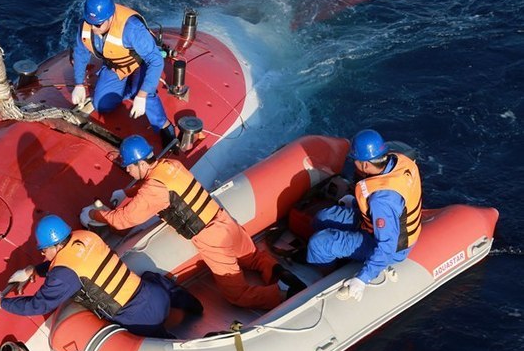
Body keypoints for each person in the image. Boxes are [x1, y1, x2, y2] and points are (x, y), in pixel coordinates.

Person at [81, 135, 299, 310]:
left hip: (211, 238)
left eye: (129, 166)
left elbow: (122, 220)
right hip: (223, 219)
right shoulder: (170, 165)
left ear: (140, 163)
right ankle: (278, 271)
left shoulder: (153, 190)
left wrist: (94, 214)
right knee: (252, 257)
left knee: (237, 295)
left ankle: (282, 293)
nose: (127, 170)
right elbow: (157, 186)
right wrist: (127, 193)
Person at [0, 214, 201, 338]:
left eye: (44, 250)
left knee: (163, 345)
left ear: (55, 246)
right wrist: (34, 270)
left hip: (141, 318)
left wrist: (1, 302)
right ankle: (196, 307)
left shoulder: (63, 274)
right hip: (156, 295)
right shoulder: (85, 236)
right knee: (152, 278)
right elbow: (76, 263)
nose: (43, 254)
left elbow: (38, 306)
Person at [306, 129, 422, 301]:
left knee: (319, 243)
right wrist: (355, 203)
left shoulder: (381, 200)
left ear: (365, 165)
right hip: (372, 224)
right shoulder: (400, 161)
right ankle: (334, 255)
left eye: (355, 160)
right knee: (322, 218)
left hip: (387, 245)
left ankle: (327, 276)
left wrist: (363, 278)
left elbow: (387, 245)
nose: (354, 163)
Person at [70, 0, 178, 146]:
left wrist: (142, 95)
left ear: (110, 18)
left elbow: (155, 61)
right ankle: (129, 90)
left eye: (98, 24)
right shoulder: (86, 26)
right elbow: (81, 53)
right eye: (90, 22)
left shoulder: (132, 29)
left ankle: (165, 126)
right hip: (117, 65)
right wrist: (78, 84)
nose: (93, 28)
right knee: (102, 105)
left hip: (140, 63)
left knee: (146, 95)